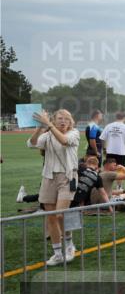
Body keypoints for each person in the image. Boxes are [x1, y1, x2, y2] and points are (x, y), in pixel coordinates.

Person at [27, 109, 80, 266]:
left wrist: (49, 125)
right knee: (50, 216)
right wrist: (39, 127)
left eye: (66, 119)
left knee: (59, 215)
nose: (63, 121)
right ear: (54, 120)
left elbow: (64, 141)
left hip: (67, 177)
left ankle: (70, 245)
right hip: (48, 177)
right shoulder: (48, 134)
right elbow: (31, 144)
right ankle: (57, 253)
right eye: (59, 118)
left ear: (71, 122)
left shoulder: (74, 133)